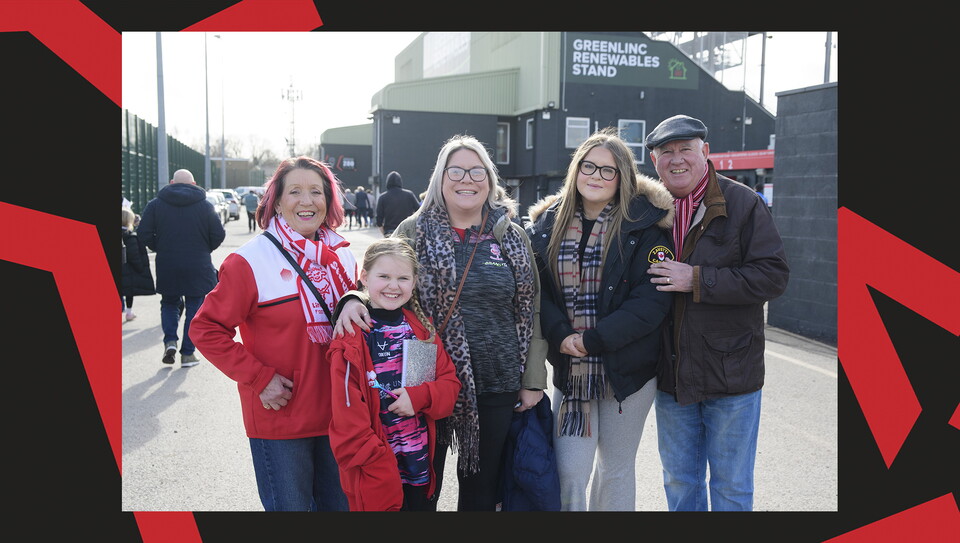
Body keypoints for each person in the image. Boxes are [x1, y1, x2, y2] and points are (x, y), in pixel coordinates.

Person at [333, 134, 548, 511]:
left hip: (496, 380)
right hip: (422, 377)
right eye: (456, 171)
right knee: (420, 489)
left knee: (481, 493)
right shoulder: (413, 231)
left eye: (477, 170)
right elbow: (381, 282)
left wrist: (532, 380)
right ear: (440, 178)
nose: (467, 179)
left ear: (490, 179)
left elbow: (531, 307)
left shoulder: (511, 236)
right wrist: (353, 299)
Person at [189, 156, 355, 511]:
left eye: (316, 191)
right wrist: (259, 378)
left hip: (340, 416)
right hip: (282, 418)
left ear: (329, 200)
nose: (306, 201)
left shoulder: (343, 258)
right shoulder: (250, 260)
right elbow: (205, 328)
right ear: (277, 201)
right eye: (294, 191)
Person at [644, 114, 789, 511]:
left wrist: (697, 279)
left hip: (732, 374)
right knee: (679, 483)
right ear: (654, 161)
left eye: (685, 150)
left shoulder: (744, 203)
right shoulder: (649, 210)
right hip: (672, 376)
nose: (676, 160)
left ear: (705, 153)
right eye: (665, 152)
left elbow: (772, 277)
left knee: (731, 488)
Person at [526, 127, 675, 511]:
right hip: (570, 368)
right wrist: (562, 335)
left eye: (608, 170)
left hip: (628, 372)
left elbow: (652, 301)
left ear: (622, 177)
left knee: (616, 471)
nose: (596, 176)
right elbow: (537, 293)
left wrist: (592, 340)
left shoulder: (647, 225)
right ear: (576, 170)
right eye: (588, 166)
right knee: (571, 470)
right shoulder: (546, 226)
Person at [327, 237, 461, 511]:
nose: (393, 285)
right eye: (383, 276)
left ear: (413, 283)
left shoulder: (421, 331)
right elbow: (346, 418)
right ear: (364, 277)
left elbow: (449, 384)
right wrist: (378, 465)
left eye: (402, 278)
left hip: (419, 467)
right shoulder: (352, 337)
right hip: (376, 471)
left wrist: (419, 397)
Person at [137, 168, 225, 367]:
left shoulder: (155, 205)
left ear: (170, 182)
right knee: (195, 306)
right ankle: (187, 353)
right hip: (198, 264)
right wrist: (204, 249)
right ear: (194, 184)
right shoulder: (205, 205)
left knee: (169, 303)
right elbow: (218, 234)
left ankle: (170, 341)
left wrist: (159, 247)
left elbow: (143, 233)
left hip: (167, 263)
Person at [121, 207, 155, 322]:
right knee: (128, 292)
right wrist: (140, 267)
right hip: (128, 270)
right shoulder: (130, 236)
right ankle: (129, 312)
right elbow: (133, 255)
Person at [375, 170, 420, 237]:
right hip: (406, 231)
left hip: (389, 231)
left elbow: (379, 219)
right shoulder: (409, 194)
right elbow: (419, 211)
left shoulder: (382, 197)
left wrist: (384, 233)